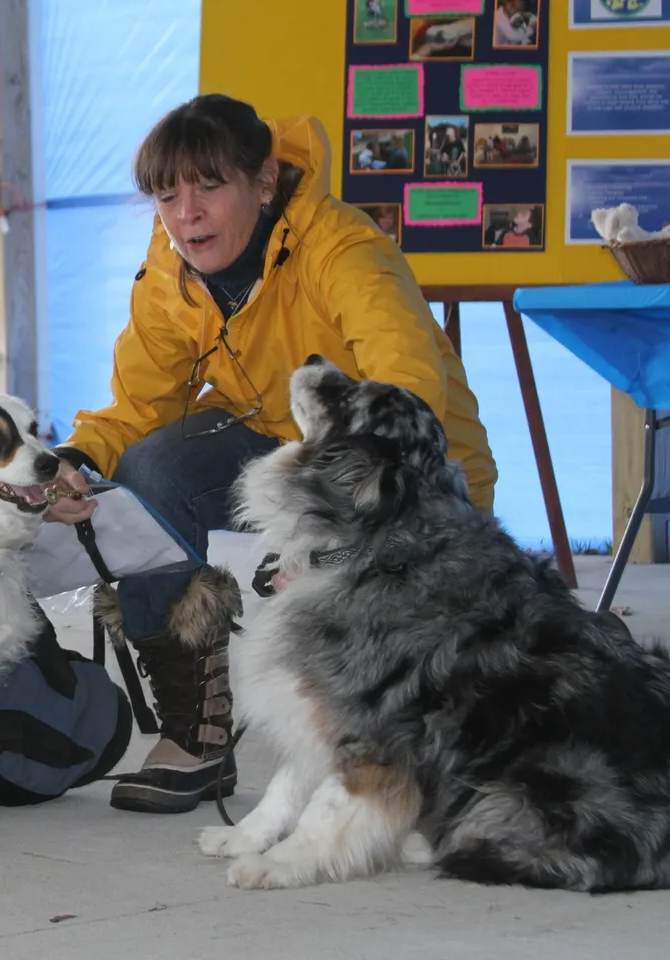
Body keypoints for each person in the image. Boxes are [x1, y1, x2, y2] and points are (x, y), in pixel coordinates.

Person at [42, 94, 498, 814]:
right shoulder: (169, 271)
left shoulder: (344, 249)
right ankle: (197, 733)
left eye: (210, 186)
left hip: (413, 474)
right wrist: (71, 458)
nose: (186, 214)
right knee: (150, 468)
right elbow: (137, 406)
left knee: (429, 716)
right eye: (167, 195)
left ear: (262, 180)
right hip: (289, 459)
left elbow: (406, 397)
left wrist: (327, 540)